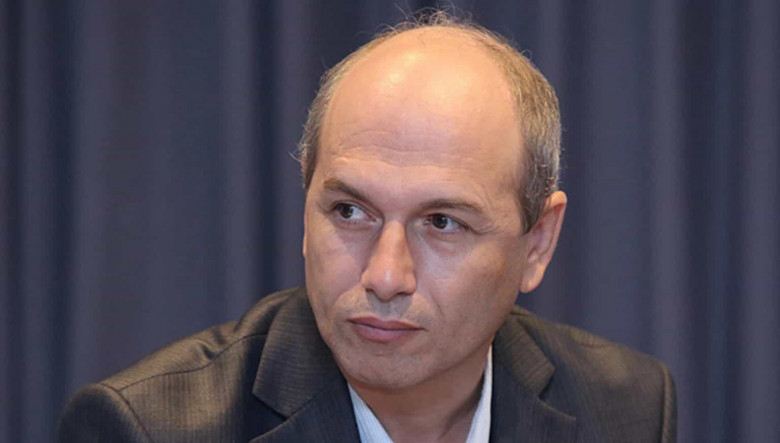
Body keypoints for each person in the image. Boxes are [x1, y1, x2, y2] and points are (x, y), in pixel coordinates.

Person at [58, 12, 676, 443]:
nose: (384, 276)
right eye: (349, 212)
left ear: (537, 242)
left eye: (442, 223)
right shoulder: (148, 430)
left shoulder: (626, 407)